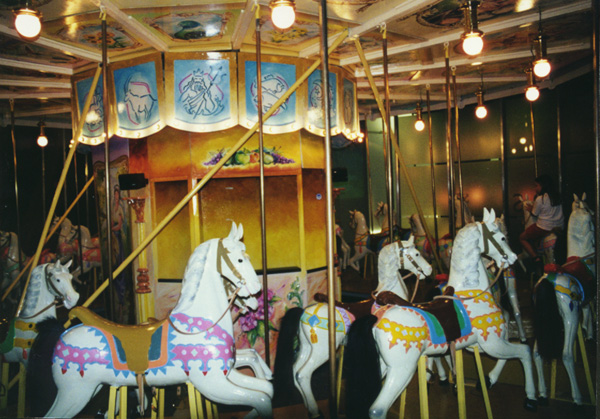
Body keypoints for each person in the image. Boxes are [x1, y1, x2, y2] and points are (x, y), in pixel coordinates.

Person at [519, 174, 564, 263]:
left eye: (537, 186)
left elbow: (534, 214)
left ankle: (535, 257)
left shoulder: (540, 198)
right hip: (559, 226)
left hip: (544, 228)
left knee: (522, 238)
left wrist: (531, 209)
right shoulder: (557, 196)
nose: (535, 188)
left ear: (543, 186)